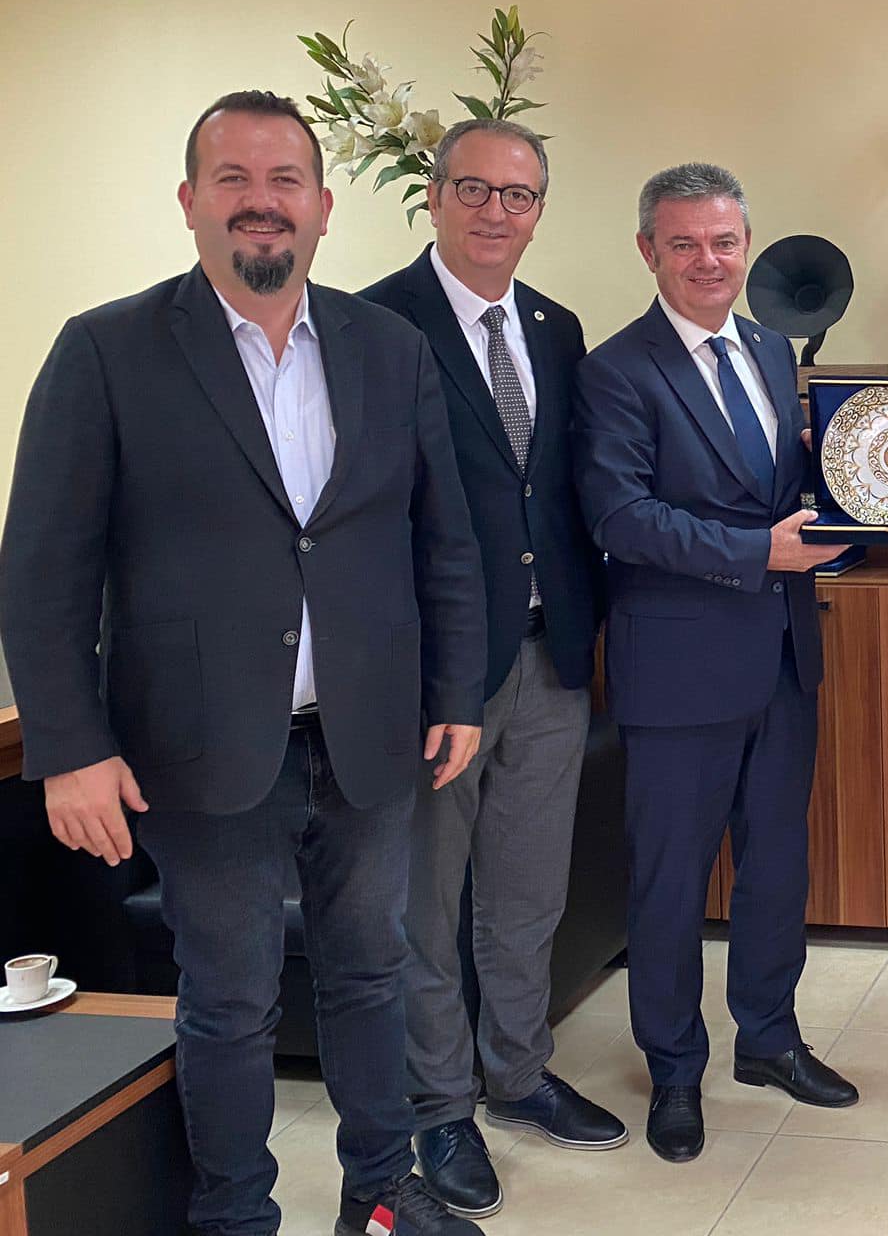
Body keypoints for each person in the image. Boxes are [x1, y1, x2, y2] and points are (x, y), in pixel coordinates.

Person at [0, 91, 489, 1236]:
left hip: (366, 734)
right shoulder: (107, 350)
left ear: (322, 206)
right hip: (199, 743)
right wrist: (68, 748)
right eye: (233, 179)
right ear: (190, 202)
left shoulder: (389, 349)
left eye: (283, 181)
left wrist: (456, 692)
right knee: (227, 1001)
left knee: (370, 974)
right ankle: (232, 1217)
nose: (260, 202)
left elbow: (443, 539)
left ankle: (379, 1192)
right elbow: (44, 568)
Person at [360, 119, 622, 1217]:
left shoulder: (556, 329)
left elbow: (556, 492)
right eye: (473, 189)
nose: (495, 212)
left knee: (526, 889)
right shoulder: (374, 323)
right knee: (429, 902)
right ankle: (438, 1106)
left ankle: (516, 1073)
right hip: (438, 674)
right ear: (434, 196)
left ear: (539, 211)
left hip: (550, 653)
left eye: (518, 195)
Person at [574, 162, 858, 1167]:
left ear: (746, 247)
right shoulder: (615, 371)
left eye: (724, 242)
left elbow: (778, 488)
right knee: (669, 882)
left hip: (781, 658)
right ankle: (674, 1069)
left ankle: (769, 1039)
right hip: (677, 670)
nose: (708, 261)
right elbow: (620, 517)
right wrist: (758, 552)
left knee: (777, 867)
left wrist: (852, 483)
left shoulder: (772, 350)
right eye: (685, 243)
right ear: (648, 251)